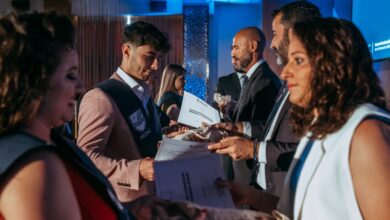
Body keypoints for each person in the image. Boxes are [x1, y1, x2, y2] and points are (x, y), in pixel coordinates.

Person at [219, 17, 390, 219]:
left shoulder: (366, 134)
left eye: (298, 60)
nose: (286, 73)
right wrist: (250, 197)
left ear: (333, 62)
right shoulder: (318, 128)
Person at [0, 11, 130, 219]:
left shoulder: (51, 143)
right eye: (70, 75)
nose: (81, 87)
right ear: (33, 82)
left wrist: (135, 210)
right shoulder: (34, 166)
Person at [210, 2, 320, 196]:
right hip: (267, 190)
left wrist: (254, 150)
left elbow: (311, 152)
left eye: (275, 34)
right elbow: (272, 128)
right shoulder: (287, 81)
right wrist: (239, 128)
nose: (272, 44)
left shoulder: (306, 85)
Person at [77, 21, 171, 202]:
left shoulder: (144, 92)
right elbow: (85, 157)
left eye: (159, 58)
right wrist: (136, 169)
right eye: (150, 57)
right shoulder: (100, 98)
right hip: (125, 202)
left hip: (153, 198)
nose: (156, 66)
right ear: (126, 51)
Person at [227, 26, 281, 185]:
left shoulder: (265, 81)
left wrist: (235, 128)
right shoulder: (252, 79)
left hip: (251, 173)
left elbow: (264, 129)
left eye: (236, 47)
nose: (232, 53)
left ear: (253, 46)